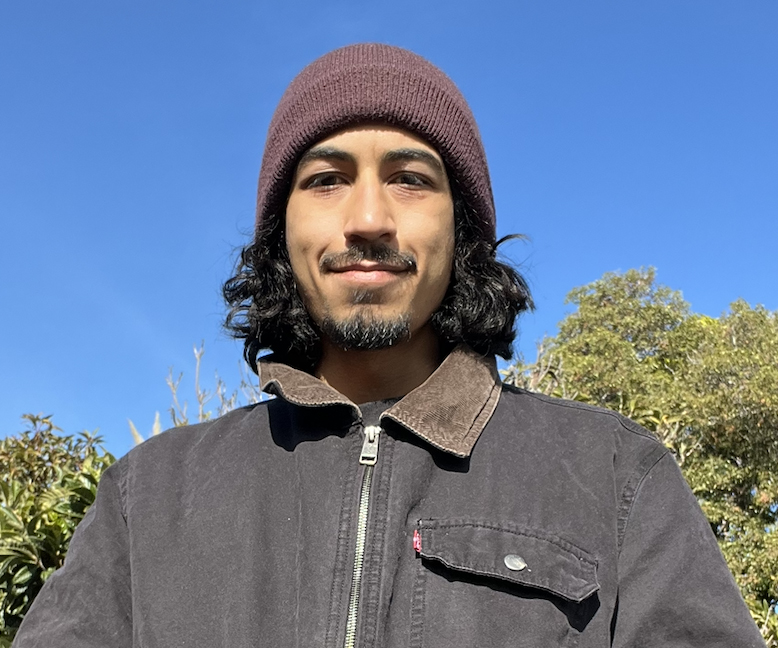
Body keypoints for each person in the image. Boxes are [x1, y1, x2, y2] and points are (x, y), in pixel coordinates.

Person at [14, 43, 765, 648]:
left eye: (410, 178)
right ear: (282, 233)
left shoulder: (616, 479)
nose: (368, 216)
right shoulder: (145, 500)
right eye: (326, 179)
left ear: (461, 230)